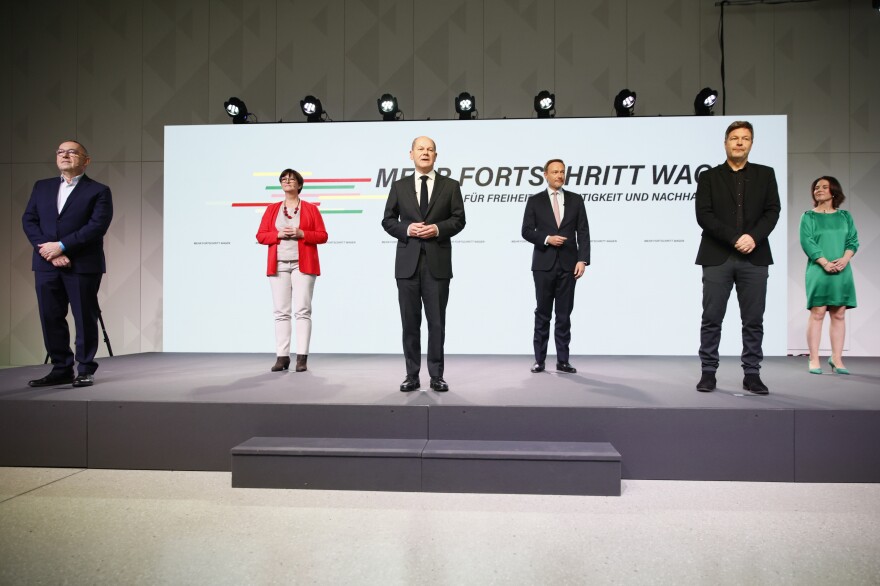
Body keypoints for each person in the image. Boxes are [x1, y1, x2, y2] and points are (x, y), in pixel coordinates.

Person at [695, 120, 781, 395]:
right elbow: (704, 215)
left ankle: (752, 374)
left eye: (745, 138)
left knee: (753, 319)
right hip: (717, 256)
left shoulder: (766, 175)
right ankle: (708, 372)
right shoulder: (709, 177)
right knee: (712, 317)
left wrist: (752, 237)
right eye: (734, 138)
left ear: (751, 144)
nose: (740, 142)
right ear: (726, 143)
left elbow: (772, 211)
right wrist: (734, 238)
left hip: (754, 258)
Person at [22, 140, 113, 388]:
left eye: (72, 152)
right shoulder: (42, 187)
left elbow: (96, 227)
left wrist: (62, 246)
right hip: (46, 264)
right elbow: (29, 220)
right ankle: (61, 368)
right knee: (50, 317)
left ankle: (85, 369)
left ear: (86, 160)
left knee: (84, 317)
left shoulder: (98, 191)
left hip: (82, 264)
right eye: (61, 151)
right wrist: (49, 251)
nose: (65, 155)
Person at [381, 136, 466, 392]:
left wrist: (437, 229)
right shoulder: (399, 186)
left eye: (430, 149)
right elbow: (387, 220)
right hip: (407, 265)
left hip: (437, 265)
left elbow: (459, 220)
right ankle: (412, 375)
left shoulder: (450, 186)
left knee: (436, 322)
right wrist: (407, 228)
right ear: (411, 154)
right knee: (410, 322)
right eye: (421, 149)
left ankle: (437, 375)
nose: (425, 153)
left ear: (436, 156)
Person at [521, 159, 590, 374]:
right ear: (545, 175)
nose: (559, 175)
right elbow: (526, 230)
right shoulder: (535, 201)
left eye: (562, 172)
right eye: (555, 172)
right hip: (543, 265)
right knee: (542, 313)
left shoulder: (576, 200)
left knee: (564, 314)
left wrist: (583, 259)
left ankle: (563, 360)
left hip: (569, 265)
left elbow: (584, 231)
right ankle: (539, 360)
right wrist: (547, 238)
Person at [256, 169, 328, 373]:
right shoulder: (271, 209)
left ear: (299, 184)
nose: (287, 181)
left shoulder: (311, 209)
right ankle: (282, 357)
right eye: (284, 179)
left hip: (302, 264)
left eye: (291, 179)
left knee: (303, 310)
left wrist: (302, 233)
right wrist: (277, 234)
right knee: (281, 312)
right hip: (278, 264)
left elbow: (322, 236)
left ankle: (302, 358)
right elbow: (261, 236)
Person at [799, 176, 858, 375]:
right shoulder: (808, 216)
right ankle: (814, 358)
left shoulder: (845, 216)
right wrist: (824, 262)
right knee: (817, 312)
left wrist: (844, 259)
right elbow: (807, 241)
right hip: (818, 268)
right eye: (816, 187)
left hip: (842, 268)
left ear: (834, 191)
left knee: (839, 313)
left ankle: (837, 359)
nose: (819, 190)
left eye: (824, 187)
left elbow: (852, 241)